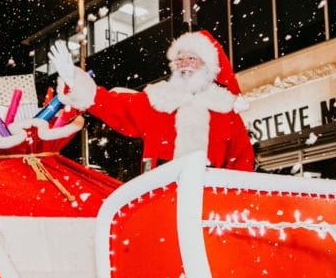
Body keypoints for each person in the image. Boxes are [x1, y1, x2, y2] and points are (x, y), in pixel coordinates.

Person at [49, 30, 255, 172]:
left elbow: (242, 168)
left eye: (192, 58)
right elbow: (113, 105)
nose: (184, 64)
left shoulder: (226, 112)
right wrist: (74, 81)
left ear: (208, 65)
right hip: (158, 201)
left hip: (209, 210)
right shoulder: (158, 101)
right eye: (180, 58)